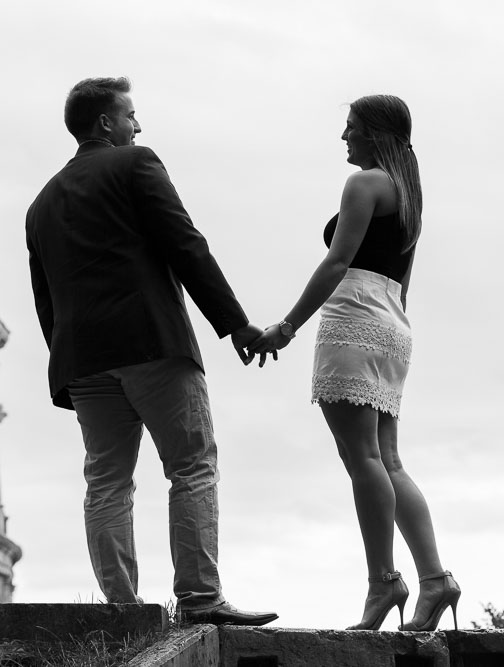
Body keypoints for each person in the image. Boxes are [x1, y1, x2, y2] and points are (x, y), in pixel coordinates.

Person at [25, 76, 277, 626]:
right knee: (191, 465)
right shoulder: (135, 162)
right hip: (151, 344)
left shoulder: (40, 203)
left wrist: (70, 364)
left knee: (106, 479)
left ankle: (122, 612)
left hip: (82, 360)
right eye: (131, 115)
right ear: (106, 124)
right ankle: (199, 598)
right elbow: (184, 242)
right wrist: (234, 324)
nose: (137, 125)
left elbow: (46, 300)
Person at [250, 94, 460, 631]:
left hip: (354, 316)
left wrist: (287, 326)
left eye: (350, 128)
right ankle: (435, 581)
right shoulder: (410, 196)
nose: (344, 137)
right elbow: (403, 285)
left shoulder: (364, 185)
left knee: (361, 457)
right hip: (393, 325)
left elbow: (337, 262)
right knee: (388, 458)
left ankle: (383, 581)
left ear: (375, 134)